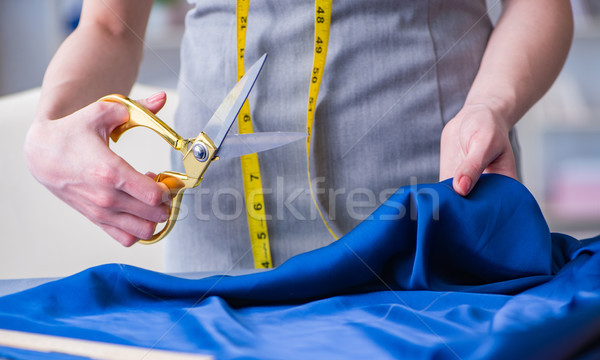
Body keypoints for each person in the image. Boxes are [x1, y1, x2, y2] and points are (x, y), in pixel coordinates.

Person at [25, 0, 573, 272]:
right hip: (217, 233)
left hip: (435, 203)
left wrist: (491, 105)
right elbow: (110, 24)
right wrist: (52, 128)